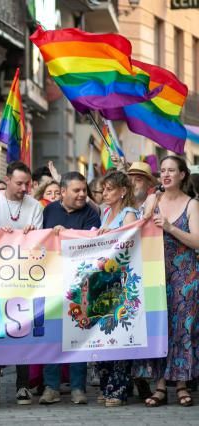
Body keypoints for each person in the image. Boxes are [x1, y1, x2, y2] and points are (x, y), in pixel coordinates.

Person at [138, 156, 199, 408]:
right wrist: (149, 207)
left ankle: (182, 385)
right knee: (159, 326)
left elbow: (197, 241)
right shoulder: (154, 199)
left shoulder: (192, 205)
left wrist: (171, 227)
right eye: (162, 170)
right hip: (155, 272)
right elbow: (138, 232)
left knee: (183, 328)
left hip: (185, 273)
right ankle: (160, 386)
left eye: (171, 170)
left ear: (182, 175)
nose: (166, 174)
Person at [0, 161, 43, 406]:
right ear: (6, 180)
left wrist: (32, 234)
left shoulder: (35, 206)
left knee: (22, 330)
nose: (24, 188)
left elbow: (40, 241)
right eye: (19, 183)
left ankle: (22, 385)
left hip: (23, 278)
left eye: (27, 184)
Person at [39, 171, 101, 405]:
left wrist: (64, 235)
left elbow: (91, 243)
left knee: (78, 335)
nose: (82, 194)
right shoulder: (49, 211)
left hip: (79, 285)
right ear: (63, 192)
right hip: (52, 281)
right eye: (76, 190)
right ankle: (51, 387)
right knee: (52, 335)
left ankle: (78, 388)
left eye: (84, 190)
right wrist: (49, 235)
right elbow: (38, 239)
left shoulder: (91, 213)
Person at [94, 171, 138, 407]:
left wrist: (109, 235)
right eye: (104, 189)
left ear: (122, 191)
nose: (106, 193)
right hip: (104, 281)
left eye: (110, 189)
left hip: (121, 281)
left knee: (119, 334)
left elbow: (127, 243)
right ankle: (105, 384)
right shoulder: (106, 212)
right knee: (103, 333)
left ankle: (118, 388)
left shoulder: (128, 214)